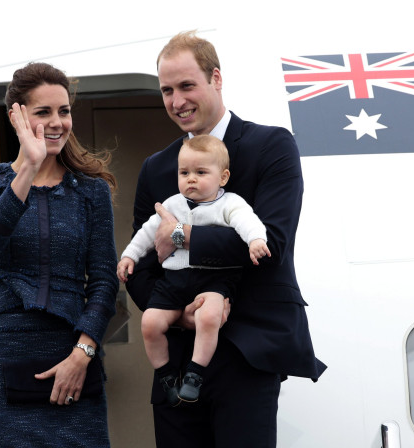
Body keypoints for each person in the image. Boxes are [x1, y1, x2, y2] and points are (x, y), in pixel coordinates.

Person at [125, 31, 327, 447]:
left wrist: (180, 236)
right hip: (176, 358)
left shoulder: (270, 146)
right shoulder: (156, 168)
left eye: (186, 85)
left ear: (216, 79)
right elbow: (142, 268)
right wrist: (180, 316)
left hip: (246, 351)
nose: (176, 101)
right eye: (166, 90)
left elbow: (271, 247)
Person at [0, 62, 118, 448]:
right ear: (16, 117)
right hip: (7, 365)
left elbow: (103, 280)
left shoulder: (91, 192)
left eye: (63, 111)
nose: (57, 122)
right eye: (43, 112)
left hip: (76, 363)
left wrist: (81, 355)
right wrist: (29, 166)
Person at [118, 135, 270, 405]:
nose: (191, 179)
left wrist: (256, 240)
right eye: (184, 172)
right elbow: (147, 233)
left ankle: (195, 373)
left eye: (201, 172)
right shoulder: (172, 204)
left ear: (223, 177)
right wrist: (130, 255)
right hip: (174, 280)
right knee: (150, 322)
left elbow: (247, 221)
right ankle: (165, 374)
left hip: (214, 278)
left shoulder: (229, 203)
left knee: (210, 316)